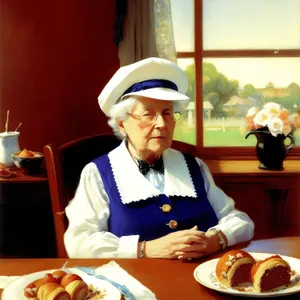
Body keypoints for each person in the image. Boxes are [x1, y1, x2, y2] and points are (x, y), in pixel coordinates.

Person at [64, 57, 254, 259]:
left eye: (167, 113)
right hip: (134, 285)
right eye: (148, 114)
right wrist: (145, 249)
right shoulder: (97, 173)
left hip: (202, 280)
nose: (162, 124)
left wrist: (214, 241)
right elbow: (79, 242)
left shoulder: (194, 166)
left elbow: (240, 221)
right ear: (122, 123)